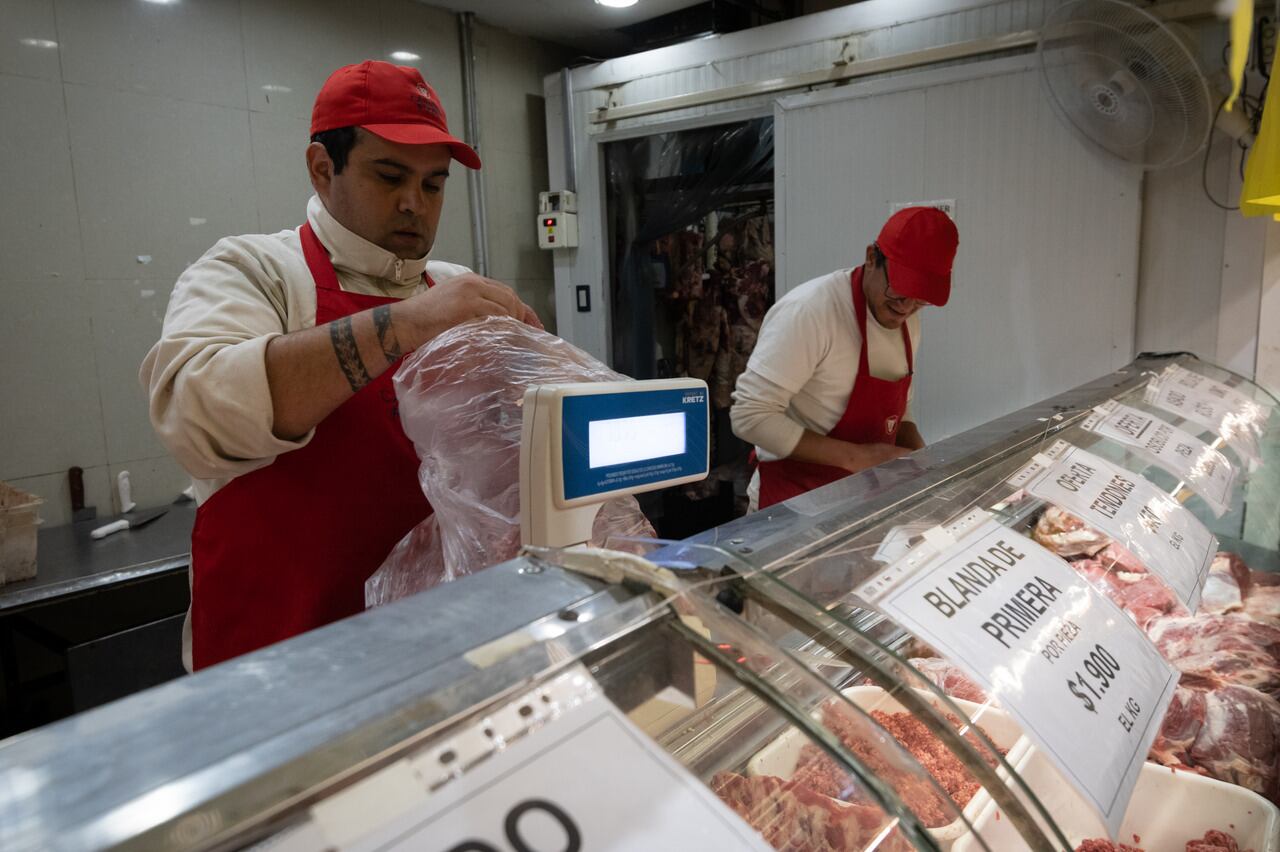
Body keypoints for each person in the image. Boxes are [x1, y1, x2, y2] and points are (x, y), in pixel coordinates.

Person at [141, 61, 540, 670]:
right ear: (322, 169)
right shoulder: (254, 272)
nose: (415, 204)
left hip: (439, 651)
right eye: (389, 176)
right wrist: (407, 324)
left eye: (434, 185)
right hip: (278, 664)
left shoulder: (458, 290)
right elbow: (196, 416)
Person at [730, 207, 958, 511]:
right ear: (871, 257)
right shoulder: (810, 312)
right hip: (794, 503)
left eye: (920, 299)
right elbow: (749, 416)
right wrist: (857, 458)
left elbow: (900, 413)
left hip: (863, 503)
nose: (906, 308)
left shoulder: (907, 321)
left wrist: (923, 461)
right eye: (899, 292)